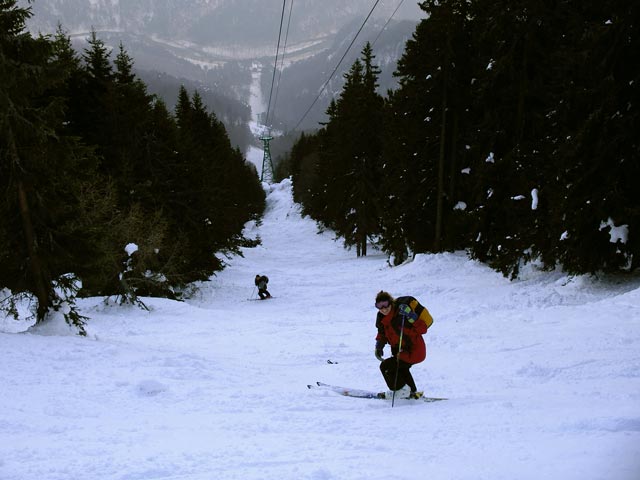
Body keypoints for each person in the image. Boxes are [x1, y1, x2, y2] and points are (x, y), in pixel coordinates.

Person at [374, 290, 433, 399]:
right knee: (400, 369)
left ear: (390, 303)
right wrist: (379, 345)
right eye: (379, 306)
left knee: (386, 367)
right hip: (400, 351)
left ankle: (400, 391)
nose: (383, 309)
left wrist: (412, 316)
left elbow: (422, 329)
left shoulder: (402, 315)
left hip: (414, 350)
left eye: (385, 305)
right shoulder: (382, 318)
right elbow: (382, 333)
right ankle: (411, 392)